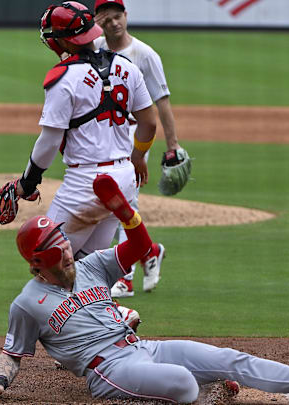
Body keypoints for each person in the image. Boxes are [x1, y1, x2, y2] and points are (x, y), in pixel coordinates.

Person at [0, 174, 289, 403]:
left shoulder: (92, 265)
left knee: (230, 359)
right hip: (108, 371)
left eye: (67, 249)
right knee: (185, 384)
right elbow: (13, 352)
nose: (69, 257)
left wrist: (126, 214)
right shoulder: (26, 303)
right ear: (37, 264)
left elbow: (139, 248)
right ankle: (206, 393)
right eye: (60, 256)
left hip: (144, 348)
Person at [0, 2, 162, 272]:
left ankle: (99, 313)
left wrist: (26, 183)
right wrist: (137, 158)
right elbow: (149, 124)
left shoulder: (63, 78)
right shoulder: (127, 67)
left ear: (64, 41)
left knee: (47, 264)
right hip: (122, 180)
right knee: (88, 267)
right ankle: (109, 313)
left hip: (85, 187)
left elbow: (50, 141)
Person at [94, 0, 185, 298]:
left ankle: (125, 277)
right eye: (106, 20)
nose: (113, 24)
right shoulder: (93, 49)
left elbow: (162, 103)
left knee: (123, 201)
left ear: (126, 16)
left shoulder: (145, 55)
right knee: (111, 203)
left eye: (117, 17)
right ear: (98, 21)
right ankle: (149, 251)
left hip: (135, 136)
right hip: (103, 135)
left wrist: (172, 145)